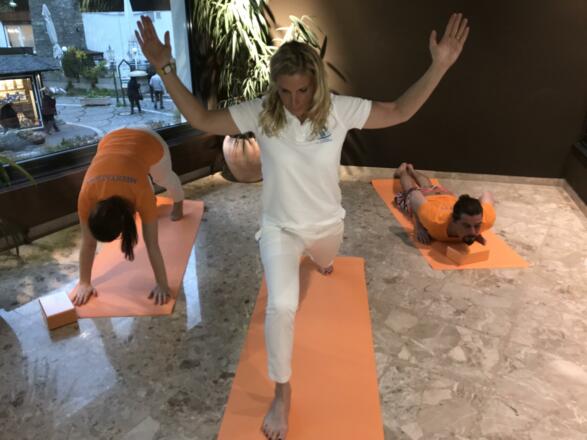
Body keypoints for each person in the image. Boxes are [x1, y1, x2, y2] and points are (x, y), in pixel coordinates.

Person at [136, 12, 469, 440]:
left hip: (328, 225)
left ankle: (321, 260)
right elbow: (202, 118)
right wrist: (164, 67)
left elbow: (400, 110)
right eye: (286, 91)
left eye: (303, 90)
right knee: (281, 306)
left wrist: (439, 66)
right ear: (275, 87)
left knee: (325, 260)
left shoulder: (339, 110)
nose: (294, 101)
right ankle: (283, 393)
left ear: (317, 84)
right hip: (280, 228)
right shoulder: (262, 113)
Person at [72, 126, 185, 307]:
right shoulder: (86, 196)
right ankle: (139, 170)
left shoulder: (142, 194)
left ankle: (179, 201)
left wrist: (162, 284)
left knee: (163, 178)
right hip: (112, 137)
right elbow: (88, 243)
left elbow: (152, 244)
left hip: (150, 141)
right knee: (138, 173)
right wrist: (84, 282)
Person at [394, 162, 495, 245]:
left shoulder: (486, 220)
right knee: (410, 189)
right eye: (466, 226)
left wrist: (477, 230)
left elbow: (487, 194)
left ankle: (412, 170)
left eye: (477, 225)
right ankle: (403, 171)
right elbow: (413, 194)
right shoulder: (434, 221)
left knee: (427, 185)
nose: (473, 232)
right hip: (425, 197)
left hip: (444, 194)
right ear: (454, 221)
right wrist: (419, 227)